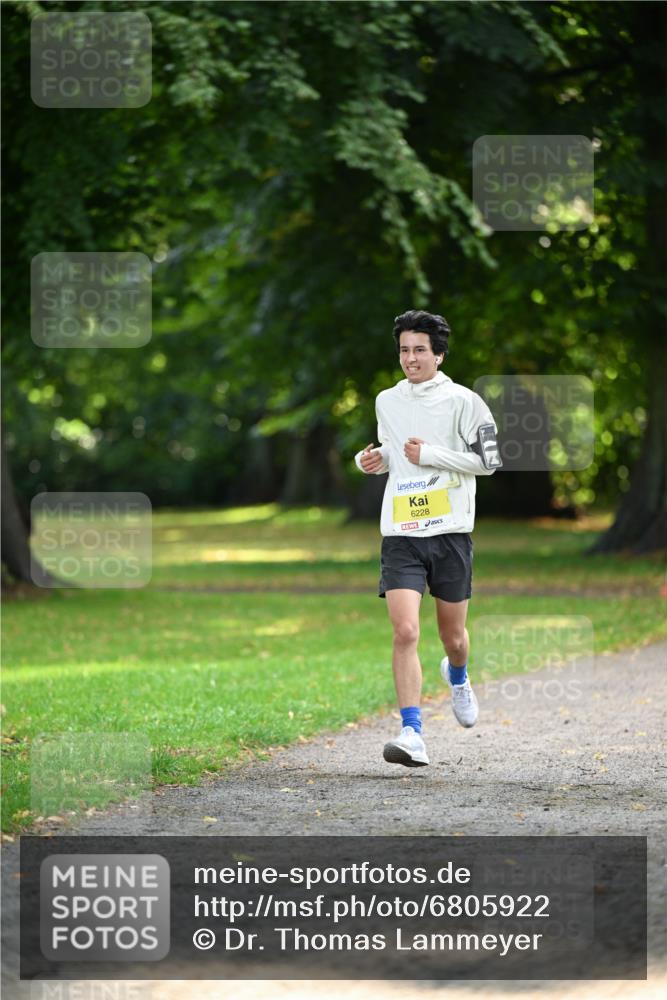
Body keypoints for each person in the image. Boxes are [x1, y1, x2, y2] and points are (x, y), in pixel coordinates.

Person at [354, 309, 501, 768]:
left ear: (438, 353)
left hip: (451, 534)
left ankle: (457, 675)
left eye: (419, 350)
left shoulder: (465, 401)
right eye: (404, 350)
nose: (410, 358)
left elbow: (490, 461)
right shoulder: (386, 401)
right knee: (405, 630)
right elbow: (394, 453)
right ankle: (412, 732)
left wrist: (432, 454)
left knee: (452, 636)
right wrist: (375, 459)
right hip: (402, 533)